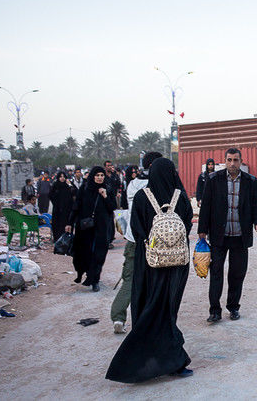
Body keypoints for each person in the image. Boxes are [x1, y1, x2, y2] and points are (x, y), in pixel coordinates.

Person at [106, 158, 194, 382]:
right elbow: (187, 225)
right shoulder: (181, 196)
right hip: (177, 266)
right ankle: (173, 360)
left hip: (151, 265)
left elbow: (136, 229)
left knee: (150, 306)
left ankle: (145, 359)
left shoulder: (144, 197)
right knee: (168, 309)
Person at [198, 147, 257, 322]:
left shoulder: (250, 181)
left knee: (237, 274)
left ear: (241, 161)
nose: (232, 163)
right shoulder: (214, 180)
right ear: (225, 161)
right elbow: (206, 206)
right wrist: (202, 231)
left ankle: (233, 307)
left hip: (240, 237)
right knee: (216, 274)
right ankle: (215, 311)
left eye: (236, 160)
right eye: (229, 160)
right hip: (219, 237)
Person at [110, 153, 161, 334]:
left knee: (130, 280)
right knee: (154, 281)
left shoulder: (132, 184)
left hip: (132, 239)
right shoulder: (154, 185)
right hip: (153, 240)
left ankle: (118, 316)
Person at [66, 166, 116, 292]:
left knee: (99, 253)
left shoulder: (108, 189)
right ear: (93, 176)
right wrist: (70, 223)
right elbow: (76, 206)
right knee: (85, 251)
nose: (100, 178)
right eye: (97, 175)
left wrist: (105, 196)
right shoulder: (85, 188)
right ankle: (87, 273)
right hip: (85, 227)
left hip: (102, 227)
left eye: (102, 175)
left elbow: (112, 207)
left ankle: (95, 280)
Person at [49, 171, 75, 243]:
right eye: (60, 177)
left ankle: (67, 239)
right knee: (57, 225)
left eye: (64, 176)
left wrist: (70, 185)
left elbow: (75, 193)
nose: (62, 178)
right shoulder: (55, 185)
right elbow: (50, 195)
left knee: (67, 224)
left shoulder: (69, 185)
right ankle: (58, 239)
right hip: (58, 210)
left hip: (68, 210)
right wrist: (56, 203)